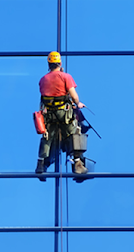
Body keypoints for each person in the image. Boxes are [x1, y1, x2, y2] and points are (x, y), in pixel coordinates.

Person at [35, 51, 88, 180]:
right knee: (74, 133)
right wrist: (78, 103)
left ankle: (41, 165)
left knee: (48, 137)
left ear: (49, 64)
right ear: (60, 63)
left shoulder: (43, 80)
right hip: (64, 115)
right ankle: (78, 164)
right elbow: (74, 96)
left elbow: (43, 99)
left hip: (49, 116)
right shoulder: (66, 77)